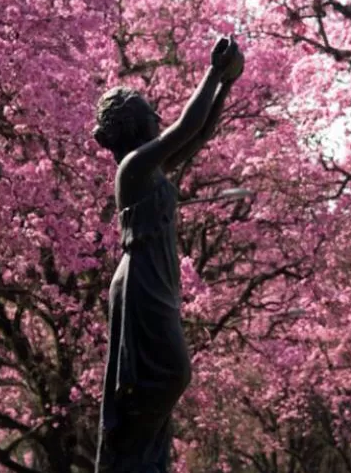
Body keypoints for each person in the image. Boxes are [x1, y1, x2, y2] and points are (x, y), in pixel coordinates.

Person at [91, 37, 244, 472]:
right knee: (171, 374)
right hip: (140, 281)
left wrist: (228, 83)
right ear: (135, 124)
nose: (158, 115)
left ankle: (138, 461)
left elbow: (202, 132)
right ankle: (128, 458)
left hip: (153, 276)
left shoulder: (151, 169)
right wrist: (213, 72)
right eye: (149, 110)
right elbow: (184, 128)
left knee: (160, 382)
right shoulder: (132, 169)